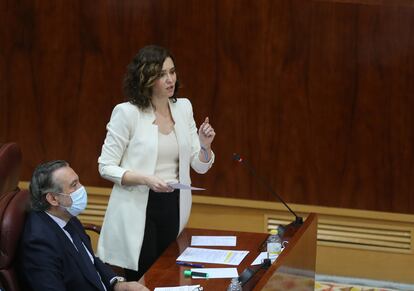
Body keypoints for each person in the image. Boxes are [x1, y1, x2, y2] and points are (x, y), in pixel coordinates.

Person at [97, 45, 216, 280]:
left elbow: (199, 165)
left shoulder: (183, 108)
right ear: (145, 78)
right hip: (139, 207)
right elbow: (105, 166)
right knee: (144, 278)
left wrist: (205, 145)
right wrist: (145, 179)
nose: (170, 80)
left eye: (172, 72)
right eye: (162, 75)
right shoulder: (127, 113)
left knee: (169, 276)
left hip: (173, 203)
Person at [18, 160, 149, 291]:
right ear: (53, 199)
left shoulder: (66, 216)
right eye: (74, 185)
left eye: (78, 181)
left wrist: (118, 284)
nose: (81, 188)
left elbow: (90, 260)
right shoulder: (39, 243)